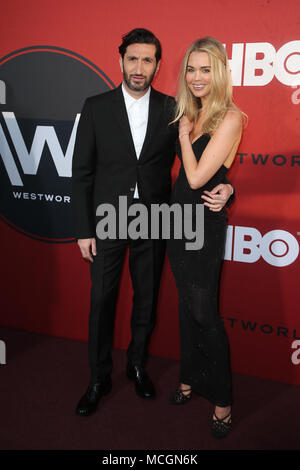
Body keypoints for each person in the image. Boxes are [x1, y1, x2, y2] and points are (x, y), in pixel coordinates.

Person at [72, 28, 233, 417]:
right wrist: (83, 228)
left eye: (147, 60)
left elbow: (207, 159)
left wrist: (228, 189)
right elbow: (81, 173)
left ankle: (138, 365)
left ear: (158, 65)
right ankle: (98, 378)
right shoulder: (96, 106)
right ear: (121, 60)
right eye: (133, 58)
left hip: (156, 219)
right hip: (108, 220)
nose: (139, 67)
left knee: (146, 299)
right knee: (101, 301)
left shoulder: (175, 109)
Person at [167, 36, 245, 438]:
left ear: (220, 73)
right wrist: (230, 187)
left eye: (206, 69)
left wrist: (183, 135)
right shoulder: (189, 111)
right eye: (191, 69)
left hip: (202, 225)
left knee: (204, 312)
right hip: (175, 223)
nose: (197, 77)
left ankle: (223, 400)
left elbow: (198, 178)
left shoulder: (230, 117)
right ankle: (189, 378)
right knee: (185, 307)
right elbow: (216, 177)